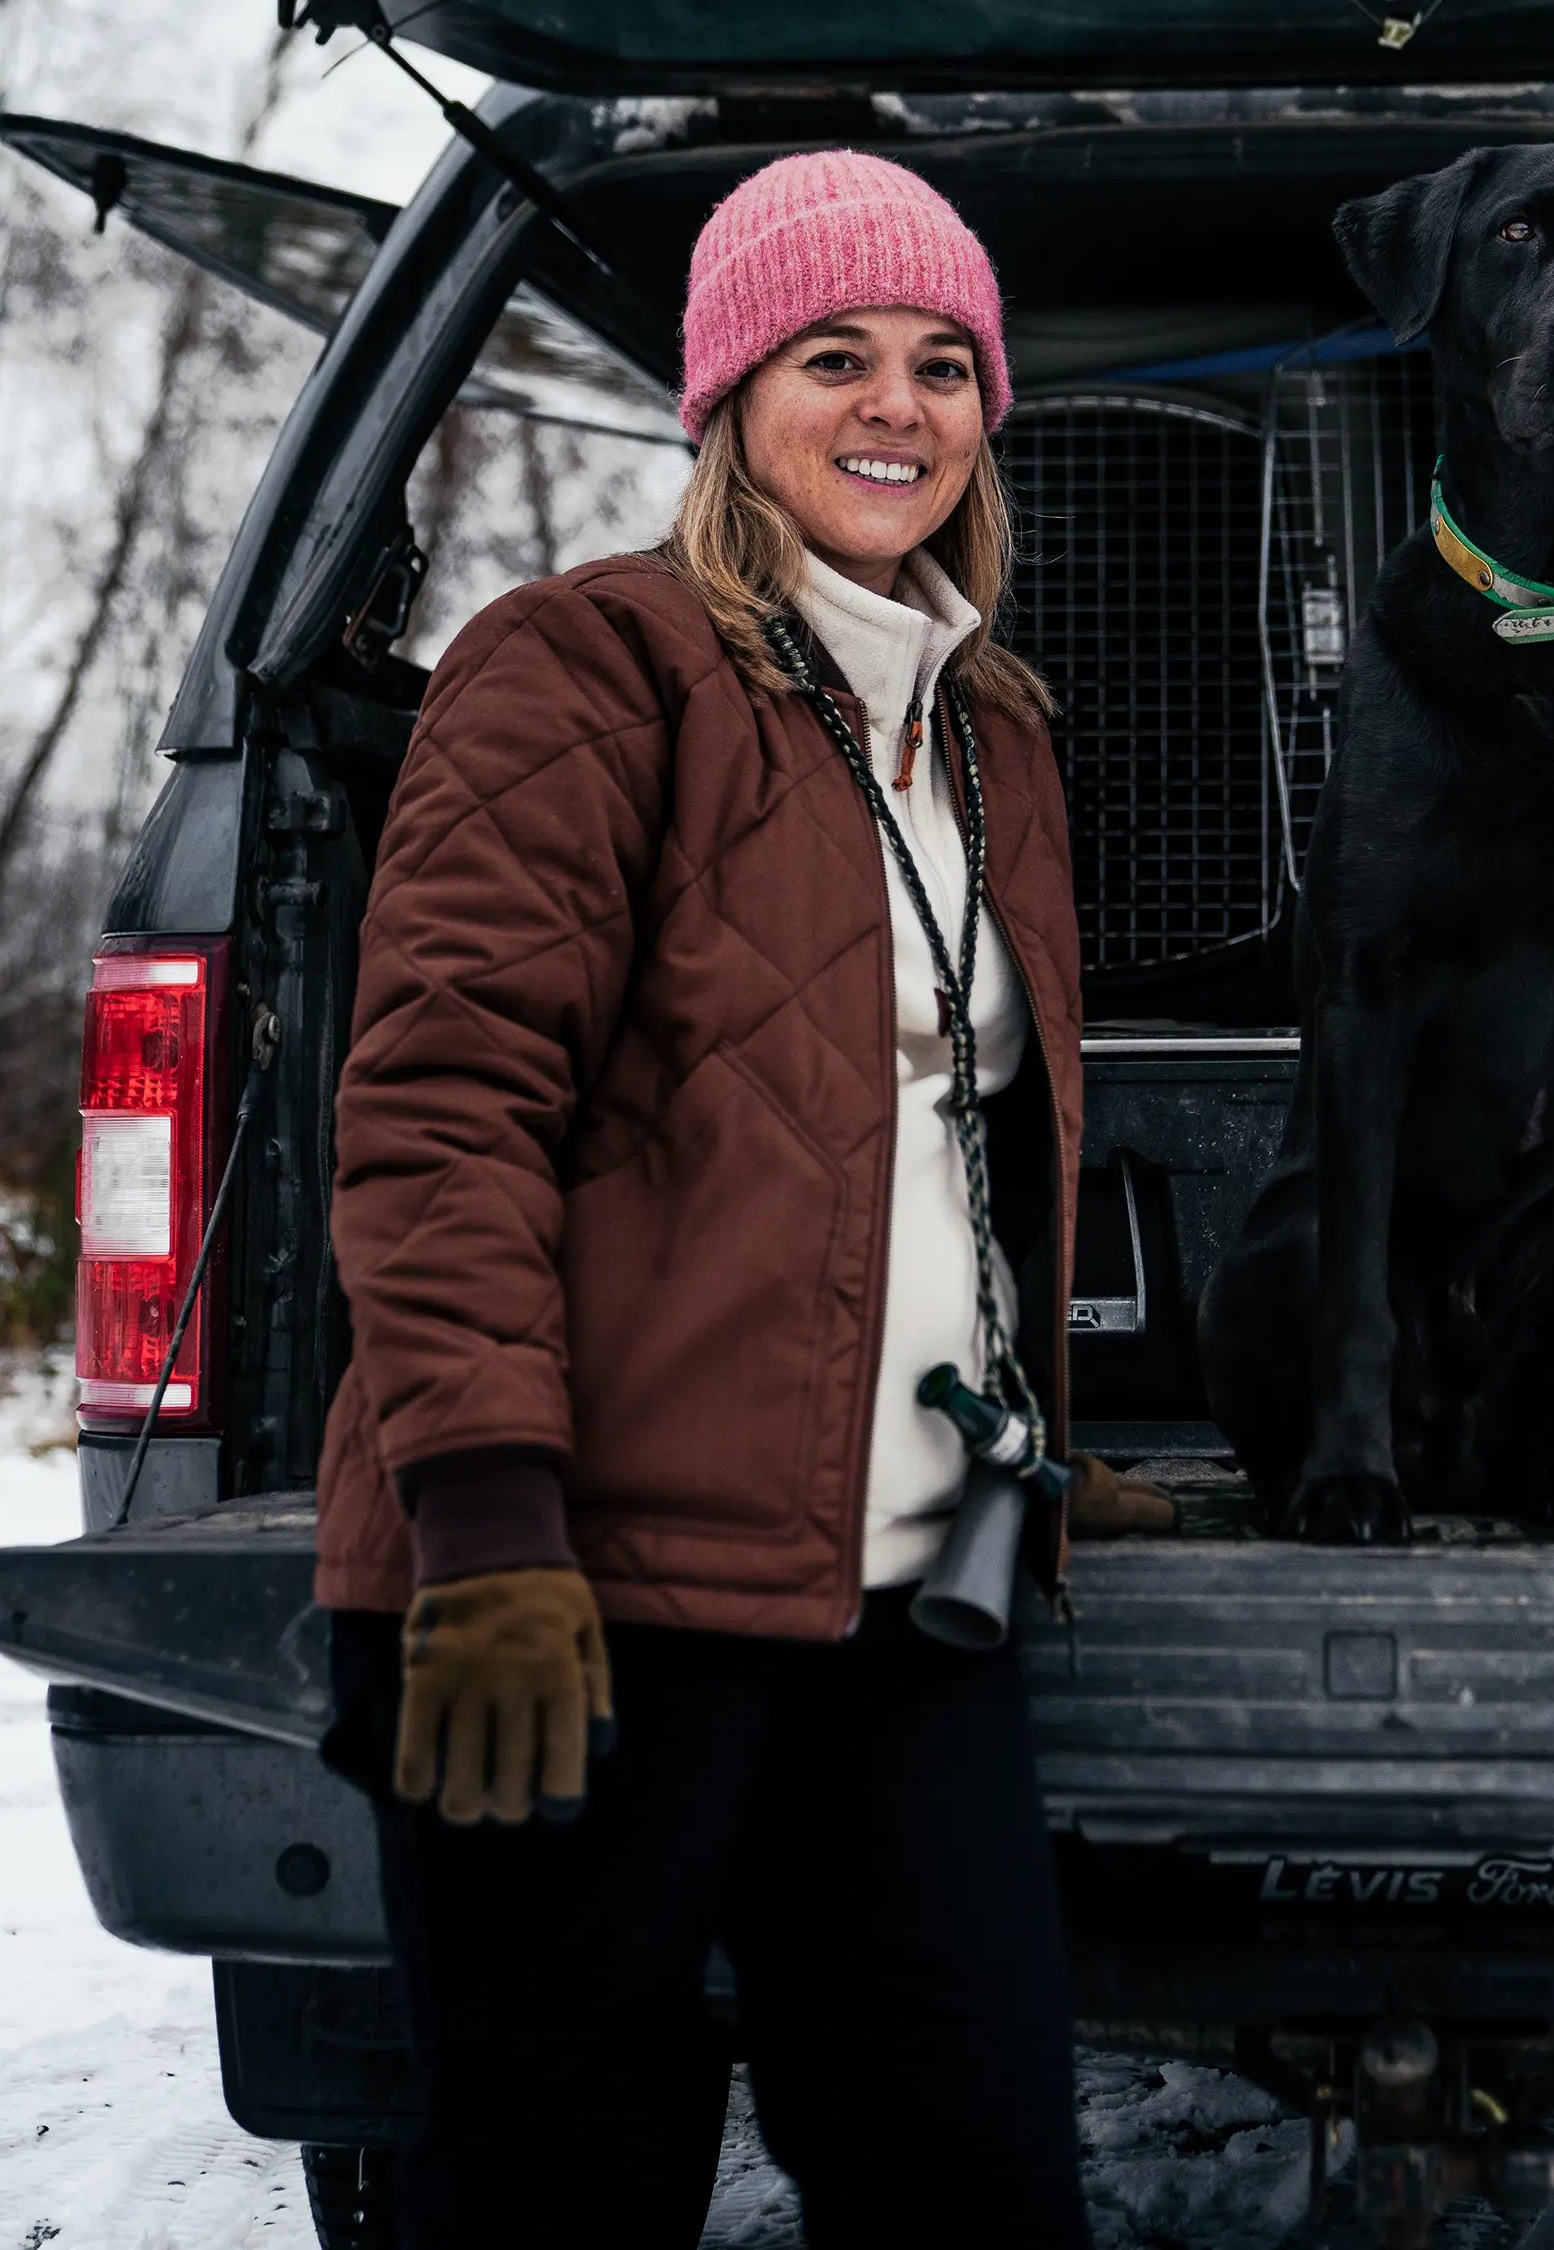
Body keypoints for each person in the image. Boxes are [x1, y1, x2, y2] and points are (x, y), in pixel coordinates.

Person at [315, 148, 1171, 2249]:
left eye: (943, 362)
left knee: (973, 2185)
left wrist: (1013, 1426)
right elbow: (444, 1106)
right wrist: (489, 1517)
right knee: (553, 2194)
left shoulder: (989, 732)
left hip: (899, 1609)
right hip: (574, 1597)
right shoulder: (580, 666)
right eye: (834, 354)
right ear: (724, 396)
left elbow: (938, 1135)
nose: (896, 404)